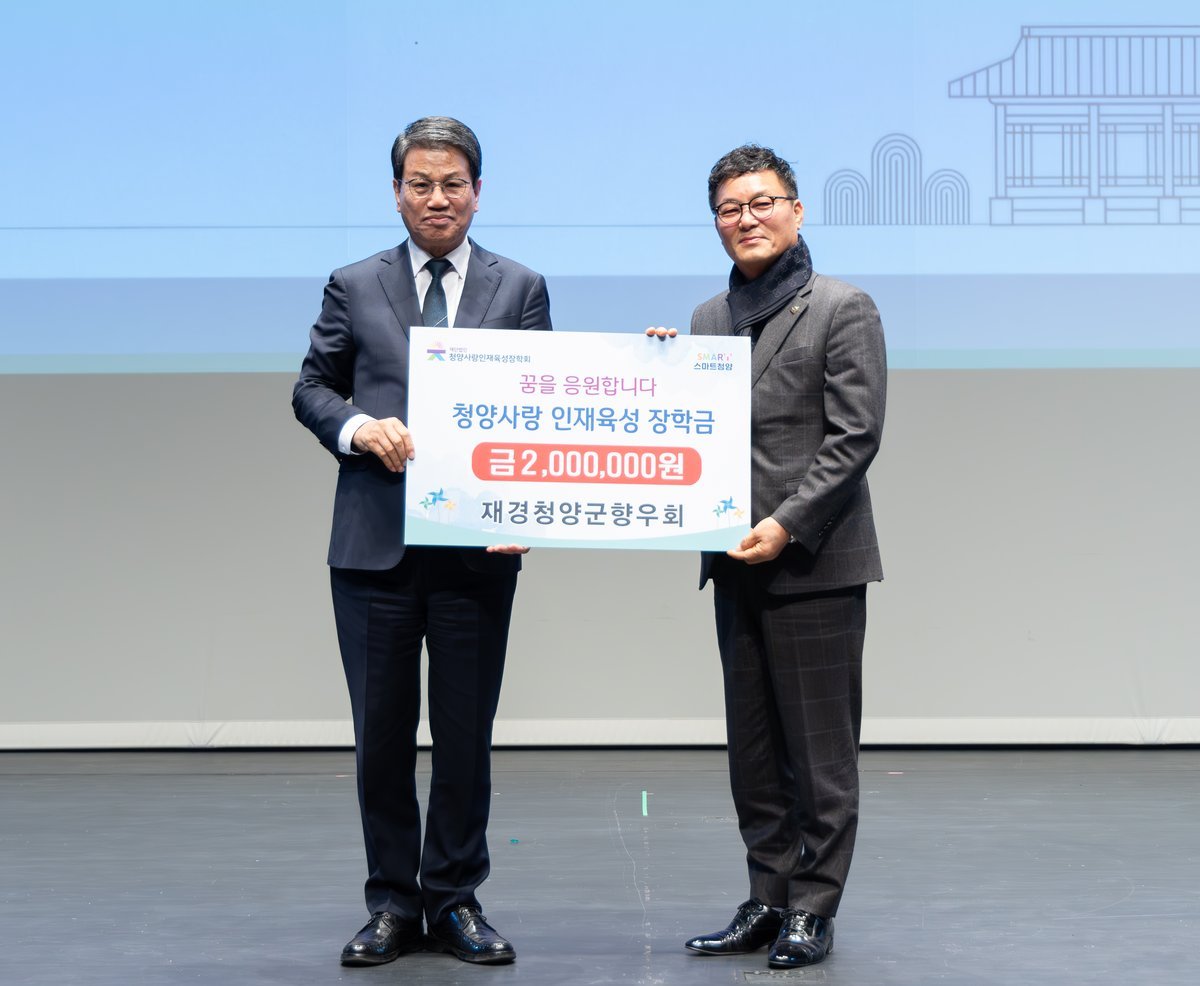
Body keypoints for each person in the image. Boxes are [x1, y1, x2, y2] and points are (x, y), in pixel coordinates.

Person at [292, 116, 551, 968]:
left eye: (453, 184)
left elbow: (544, 409)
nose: (437, 199)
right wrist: (358, 428)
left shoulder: (521, 287)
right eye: (420, 184)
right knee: (382, 739)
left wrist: (526, 511)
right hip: (374, 549)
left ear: (477, 191)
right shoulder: (353, 284)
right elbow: (312, 389)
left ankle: (456, 897)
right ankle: (393, 904)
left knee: (466, 737)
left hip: (477, 550)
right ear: (398, 191)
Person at [677, 144, 885, 969]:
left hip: (812, 562)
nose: (747, 219)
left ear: (797, 210)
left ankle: (813, 907)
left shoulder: (843, 306)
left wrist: (788, 525)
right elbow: (688, 427)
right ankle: (767, 897)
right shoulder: (705, 321)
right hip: (733, 560)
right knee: (755, 753)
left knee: (820, 753)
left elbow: (854, 436)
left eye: (762, 202)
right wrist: (656, 371)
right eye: (730, 208)